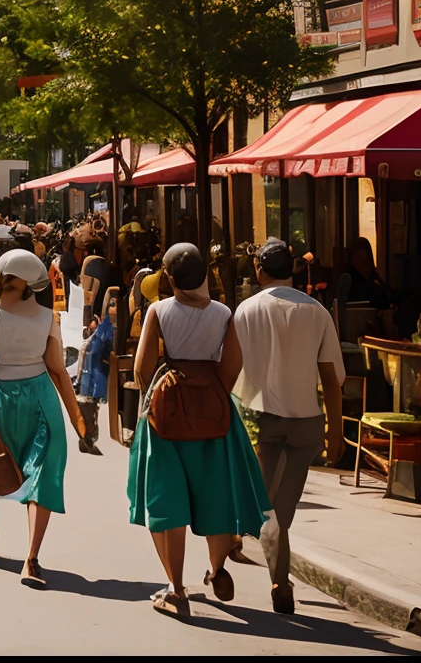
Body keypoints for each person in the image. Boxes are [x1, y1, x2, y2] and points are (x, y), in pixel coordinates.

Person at [128, 243, 271, 620]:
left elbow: (143, 369)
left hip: (168, 414)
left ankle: (176, 590)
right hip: (214, 414)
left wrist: (157, 391)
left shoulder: (158, 311)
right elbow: (231, 369)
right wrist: (209, 392)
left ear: (171, 279)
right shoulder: (225, 313)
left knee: (166, 501)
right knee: (216, 496)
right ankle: (218, 568)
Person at [233, 239, 346, 615]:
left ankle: (274, 573)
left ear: (260, 271)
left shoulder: (246, 310)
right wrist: (336, 431)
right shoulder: (317, 312)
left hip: (261, 419)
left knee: (266, 505)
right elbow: (331, 378)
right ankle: (277, 576)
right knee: (283, 506)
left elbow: (231, 371)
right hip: (307, 422)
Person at [0, 249, 86, 589]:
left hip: (0, 396)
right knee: (43, 473)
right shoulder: (48, 317)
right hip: (40, 396)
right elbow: (58, 370)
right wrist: (77, 418)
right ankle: (31, 558)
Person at [74, 286, 118, 456]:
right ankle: (87, 439)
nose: (114, 307)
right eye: (112, 304)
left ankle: (88, 439)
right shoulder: (106, 328)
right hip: (93, 375)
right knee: (89, 408)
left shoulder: (106, 326)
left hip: (91, 374)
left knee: (91, 408)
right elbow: (98, 351)